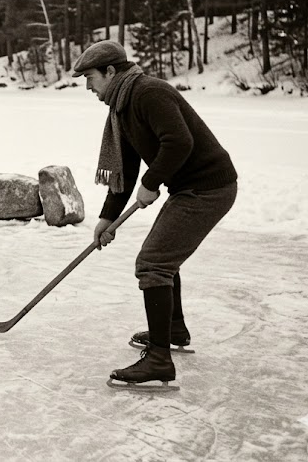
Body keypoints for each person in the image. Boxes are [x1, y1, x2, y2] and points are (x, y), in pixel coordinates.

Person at [73, 40, 238, 390]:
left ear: (111, 72)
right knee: (162, 260)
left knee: (152, 264)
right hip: (190, 188)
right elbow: (126, 168)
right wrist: (107, 217)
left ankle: (160, 359)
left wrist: (152, 182)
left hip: (209, 188)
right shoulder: (121, 106)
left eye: (90, 77)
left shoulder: (148, 93)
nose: (88, 86)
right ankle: (173, 328)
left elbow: (179, 142)